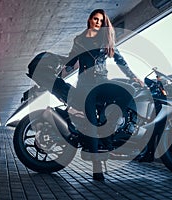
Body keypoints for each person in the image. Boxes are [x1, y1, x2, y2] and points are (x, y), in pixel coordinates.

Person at [63, 9, 142, 181]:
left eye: (100, 20)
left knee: (129, 91)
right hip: (85, 86)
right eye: (95, 19)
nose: (98, 22)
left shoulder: (105, 40)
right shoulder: (79, 40)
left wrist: (133, 76)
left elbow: (120, 60)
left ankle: (110, 123)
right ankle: (97, 168)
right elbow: (71, 59)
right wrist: (63, 66)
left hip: (102, 83)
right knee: (92, 125)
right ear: (89, 20)